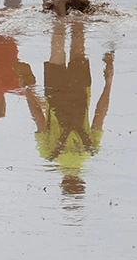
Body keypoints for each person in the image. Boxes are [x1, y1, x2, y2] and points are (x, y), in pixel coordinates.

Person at [22, 19, 114, 199]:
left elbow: (100, 114)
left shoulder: (91, 151)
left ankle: (76, 12)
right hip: (54, 93)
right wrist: (27, 91)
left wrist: (108, 82)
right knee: (57, 46)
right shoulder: (48, 155)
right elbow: (39, 119)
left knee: (78, 40)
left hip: (80, 92)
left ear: (81, 180)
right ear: (63, 182)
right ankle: (60, 14)